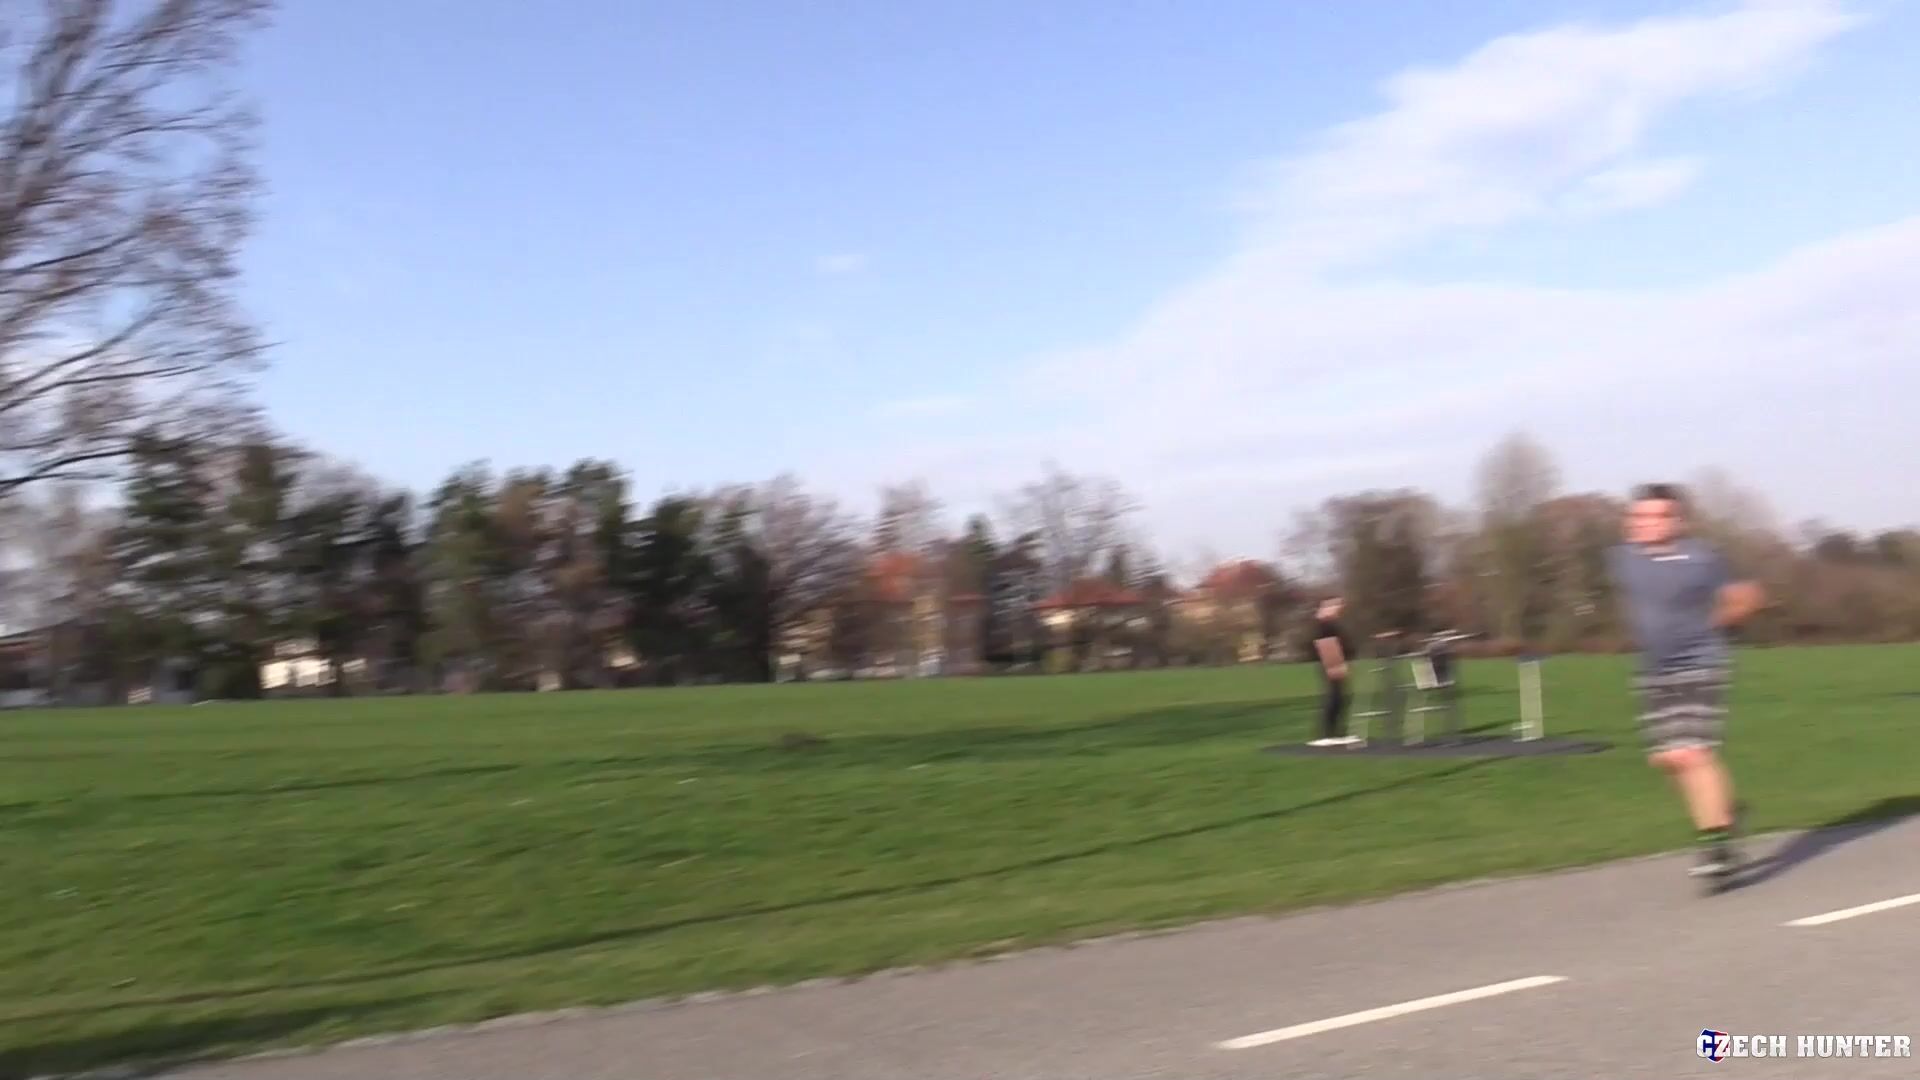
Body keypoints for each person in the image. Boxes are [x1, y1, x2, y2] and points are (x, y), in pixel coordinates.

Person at [1606, 483, 1766, 880]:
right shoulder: (1621, 558)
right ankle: (1728, 813)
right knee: (1666, 759)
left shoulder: (1703, 558)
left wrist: (1714, 625)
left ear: (1679, 522)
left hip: (1700, 661)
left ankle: (1717, 846)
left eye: (1656, 516)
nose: (1644, 523)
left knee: (1691, 753)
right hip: (1653, 667)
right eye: (1638, 516)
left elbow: (1749, 597)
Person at [1309, 596, 1358, 747]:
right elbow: (1326, 645)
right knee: (1334, 697)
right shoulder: (1323, 626)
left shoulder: (1331, 624)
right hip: (1331, 663)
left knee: (1340, 697)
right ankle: (1328, 733)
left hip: (1336, 662)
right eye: (1335, 606)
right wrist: (1335, 666)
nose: (1338, 609)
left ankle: (1337, 732)